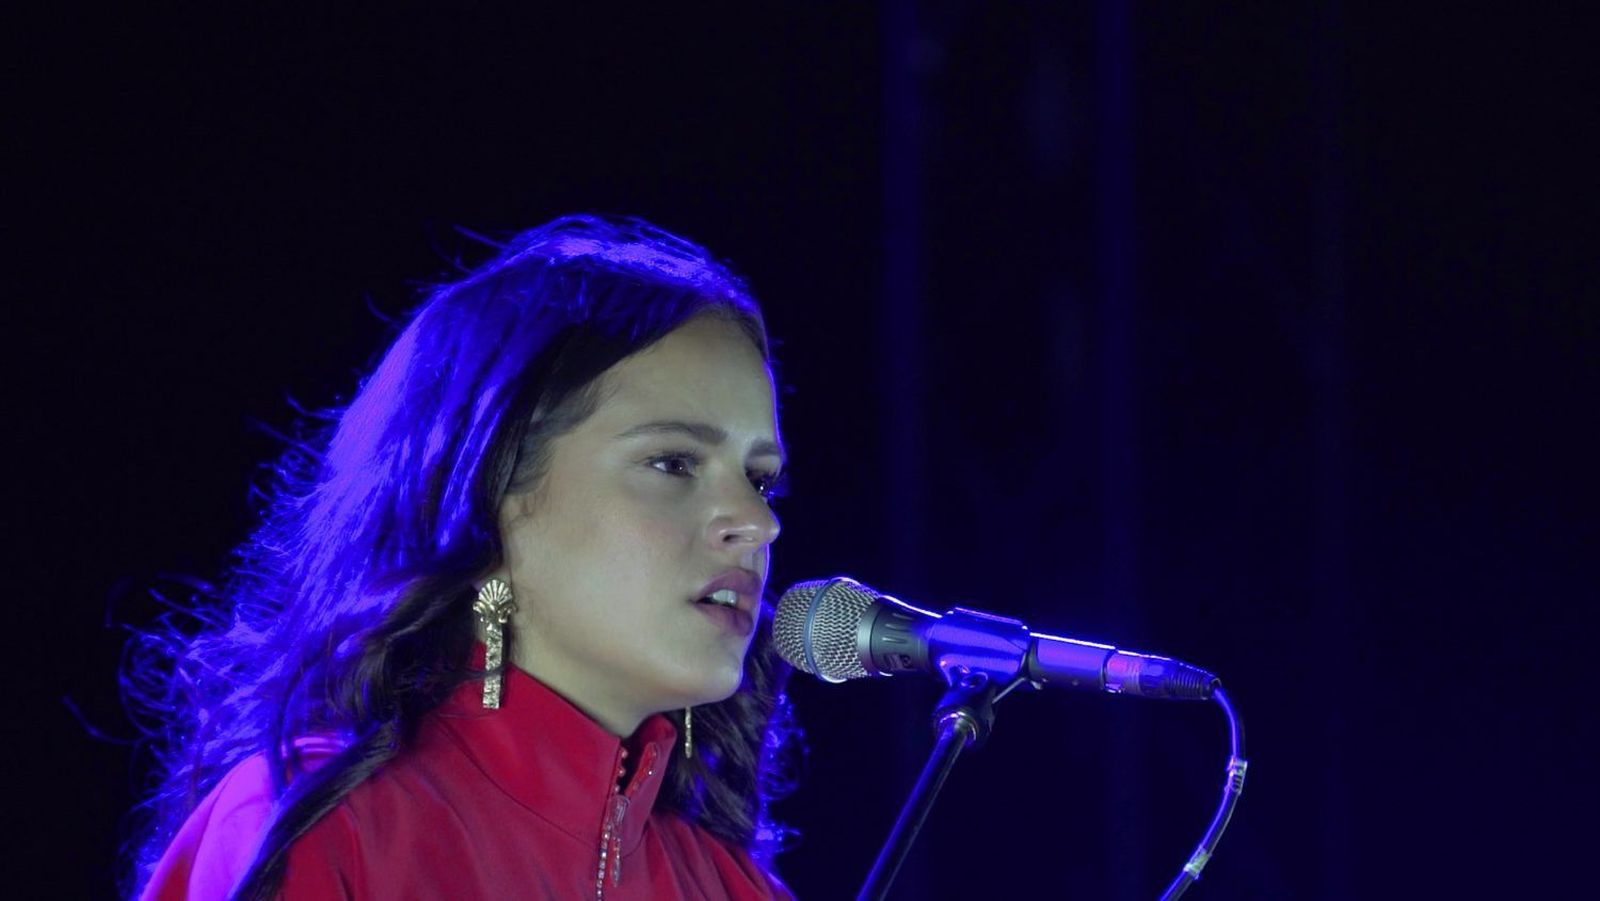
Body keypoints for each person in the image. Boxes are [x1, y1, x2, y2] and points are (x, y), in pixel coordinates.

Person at [123, 215, 801, 899]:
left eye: (760, 479)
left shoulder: (732, 887)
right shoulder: (319, 822)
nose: (758, 522)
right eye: (674, 462)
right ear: (486, 491)